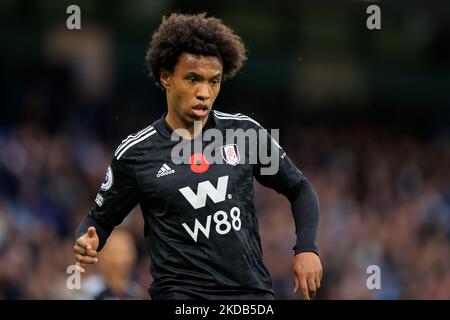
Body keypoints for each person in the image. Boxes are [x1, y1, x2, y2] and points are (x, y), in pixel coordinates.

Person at [74, 12, 322, 300]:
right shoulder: (136, 153)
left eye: (213, 81)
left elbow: (300, 188)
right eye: (193, 79)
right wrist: (86, 240)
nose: (204, 92)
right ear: (166, 77)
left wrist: (307, 248)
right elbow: (99, 221)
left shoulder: (245, 133)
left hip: (250, 297)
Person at [79, 229, 145, 300]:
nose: (126, 258)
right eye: (118, 252)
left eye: (129, 251)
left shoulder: (134, 292)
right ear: (101, 257)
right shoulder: (89, 291)